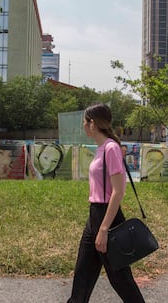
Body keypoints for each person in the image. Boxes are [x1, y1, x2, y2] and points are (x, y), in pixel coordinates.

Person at [68, 103, 145, 303]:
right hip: (94, 216)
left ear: (92, 124)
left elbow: (118, 192)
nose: (83, 126)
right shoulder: (102, 148)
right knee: (82, 275)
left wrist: (103, 229)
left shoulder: (111, 148)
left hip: (106, 218)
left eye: (84, 122)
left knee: (121, 280)